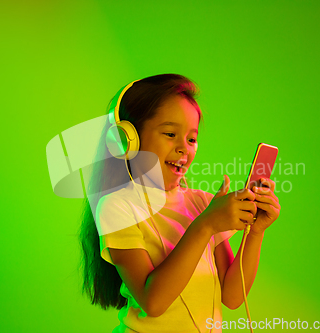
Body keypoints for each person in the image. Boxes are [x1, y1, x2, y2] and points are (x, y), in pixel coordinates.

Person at [79, 74, 281, 332]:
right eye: (170, 133)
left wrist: (256, 231)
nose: (183, 148)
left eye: (191, 139)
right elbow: (153, 302)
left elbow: (232, 296)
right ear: (128, 139)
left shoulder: (201, 203)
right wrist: (206, 225)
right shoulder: (117, 206)